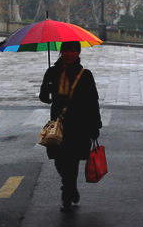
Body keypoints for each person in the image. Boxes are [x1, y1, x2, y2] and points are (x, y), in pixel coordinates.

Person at [39, 41, 102, 212]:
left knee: (72, 161)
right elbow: (44, 97)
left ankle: (67, 192)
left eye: (74, 50)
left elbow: (92, 101)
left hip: (78, 125)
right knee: (59, 161)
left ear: (78, 53)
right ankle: (70, 186)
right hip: (58, 125)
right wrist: (47, 87)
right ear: (61, 52)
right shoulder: (52, 72)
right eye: (67, 50)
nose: (70, 54)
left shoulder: (85, 75)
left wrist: (95, 126)